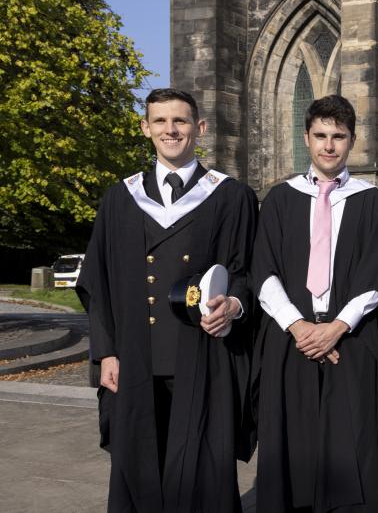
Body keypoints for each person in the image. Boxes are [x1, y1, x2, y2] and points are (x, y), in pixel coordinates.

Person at [77, 88, 259, 512]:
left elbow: (249, 272)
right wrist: (106, 353)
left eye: (180, 121)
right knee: (138, 467)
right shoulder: (120, 199)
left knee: (204, 470)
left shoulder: (232, 197)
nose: (170, 130)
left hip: (204, 354)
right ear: (145, 128)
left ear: (200, 128)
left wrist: (234, 303)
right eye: (160, 121)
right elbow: (97, 284)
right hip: (136, 356)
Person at [250, 94, 378, 513]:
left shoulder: (372, 203)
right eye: (321, 135)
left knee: (351, 449)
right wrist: (299, 327)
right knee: (291, 449)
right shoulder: (280, 199)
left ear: (353, 141)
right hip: (290, 342)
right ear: (306, 138)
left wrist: (337, 327)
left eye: (339, 136)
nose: (329, 145)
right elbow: (263, 272)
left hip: (350, 343)